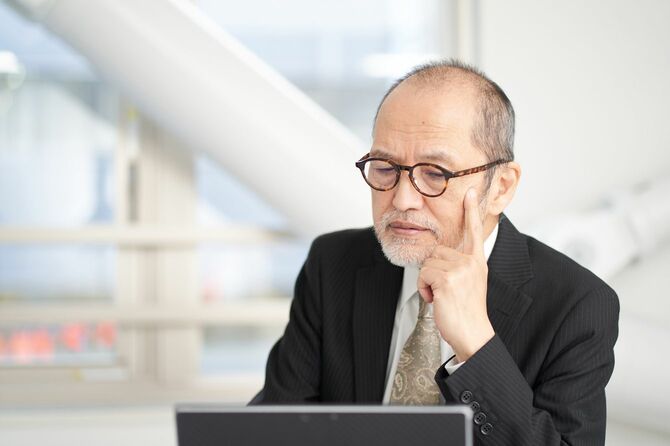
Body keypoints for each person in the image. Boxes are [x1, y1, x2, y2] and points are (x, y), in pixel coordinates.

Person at [251, 59, 619, 446]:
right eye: (385, 167)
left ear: (502, 187)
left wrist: (477, 348)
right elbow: (277, 425)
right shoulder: (333, 263)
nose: (403, 199)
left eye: (436, 173)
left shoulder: (578, 306)